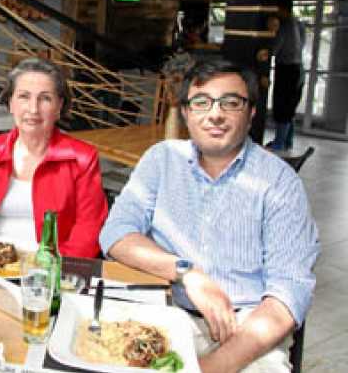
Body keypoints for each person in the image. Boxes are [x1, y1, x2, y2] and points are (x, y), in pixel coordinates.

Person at [99, 59, 319, 373]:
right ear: (186, 113)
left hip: (247, 331)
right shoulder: (161, 160)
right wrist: (187, 273)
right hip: (164, 311)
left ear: (251, 112)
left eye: (231, 102)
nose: (215, 114)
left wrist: (209, 368)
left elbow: (289, 292)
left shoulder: (280, 182)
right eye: (201, 102)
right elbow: (116, 233)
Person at [0, 57, 108, 258]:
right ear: (10, 102)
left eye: (45, 98)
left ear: (59, 107)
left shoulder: (82, 158)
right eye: (24, 96)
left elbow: (89, 228)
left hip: (49, 269)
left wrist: (53, 271)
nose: (33, 109)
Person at [267, 0, 306, 151]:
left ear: (281, 9)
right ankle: (287, 141)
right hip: (299, 68)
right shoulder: (299, 24)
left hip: (286, 70)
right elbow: (301, 45)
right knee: (290, 107)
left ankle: (279, 143)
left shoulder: (284, 27)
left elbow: (275, 49)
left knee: (282, 107)